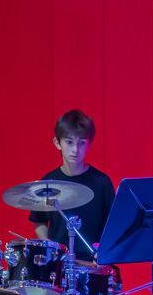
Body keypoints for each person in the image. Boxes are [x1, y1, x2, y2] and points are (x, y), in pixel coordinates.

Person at [29, 109, 115, 261]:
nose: (75, 149)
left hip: (93, 263)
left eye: (81, 143)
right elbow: (39, 222)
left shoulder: (102, 182)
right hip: (59, 263)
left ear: (89, 144)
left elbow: (115, 226)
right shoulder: (48, 182)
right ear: (57, 143)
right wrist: (49, 245)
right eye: (69, 142)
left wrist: (104, 251)